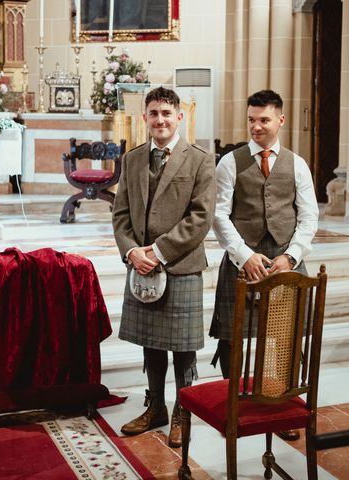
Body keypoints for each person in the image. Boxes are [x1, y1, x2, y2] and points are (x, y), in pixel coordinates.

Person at [209, 89, 319, 441]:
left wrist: (291, 256)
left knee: (283, 338)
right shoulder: (230, 162)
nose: (256, 127)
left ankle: (280, 407)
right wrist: (245, 254)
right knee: (232, 338)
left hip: (286, 262)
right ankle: (232, 403)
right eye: (251, 120)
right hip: (244, 261)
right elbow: (219, 215)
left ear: (280, 120)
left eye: (264, 120)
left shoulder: (297, 164)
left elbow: (309, 216)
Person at [112, 86, 216, 448]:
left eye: (166, 114)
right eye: (153, 113)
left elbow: (201, 217)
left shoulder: (201, 159)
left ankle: (182, 413)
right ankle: (155, 406)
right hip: (140, 266)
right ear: (145, 118)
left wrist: (157, 251)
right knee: (151, 343)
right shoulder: (133, 159)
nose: (160, 120)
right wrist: (131, 252)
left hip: (180, 265)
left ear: (179, 117)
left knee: (182, 346)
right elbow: (120, 214)